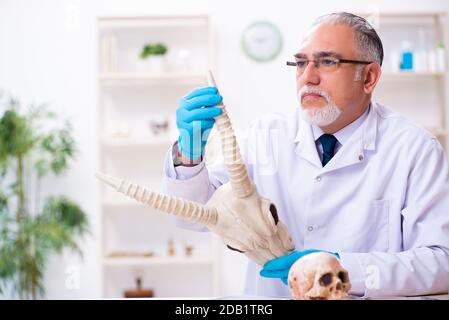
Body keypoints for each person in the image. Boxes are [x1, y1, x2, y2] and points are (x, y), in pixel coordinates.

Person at [162, 12, 449, 298]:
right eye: (301, 63)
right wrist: (188, 154)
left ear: (369, 77)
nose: (308, 77)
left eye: (327, 62)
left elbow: (441, 262)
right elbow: (197, 216)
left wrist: (341, 268)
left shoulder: (414, 149)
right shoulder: (267, 135)